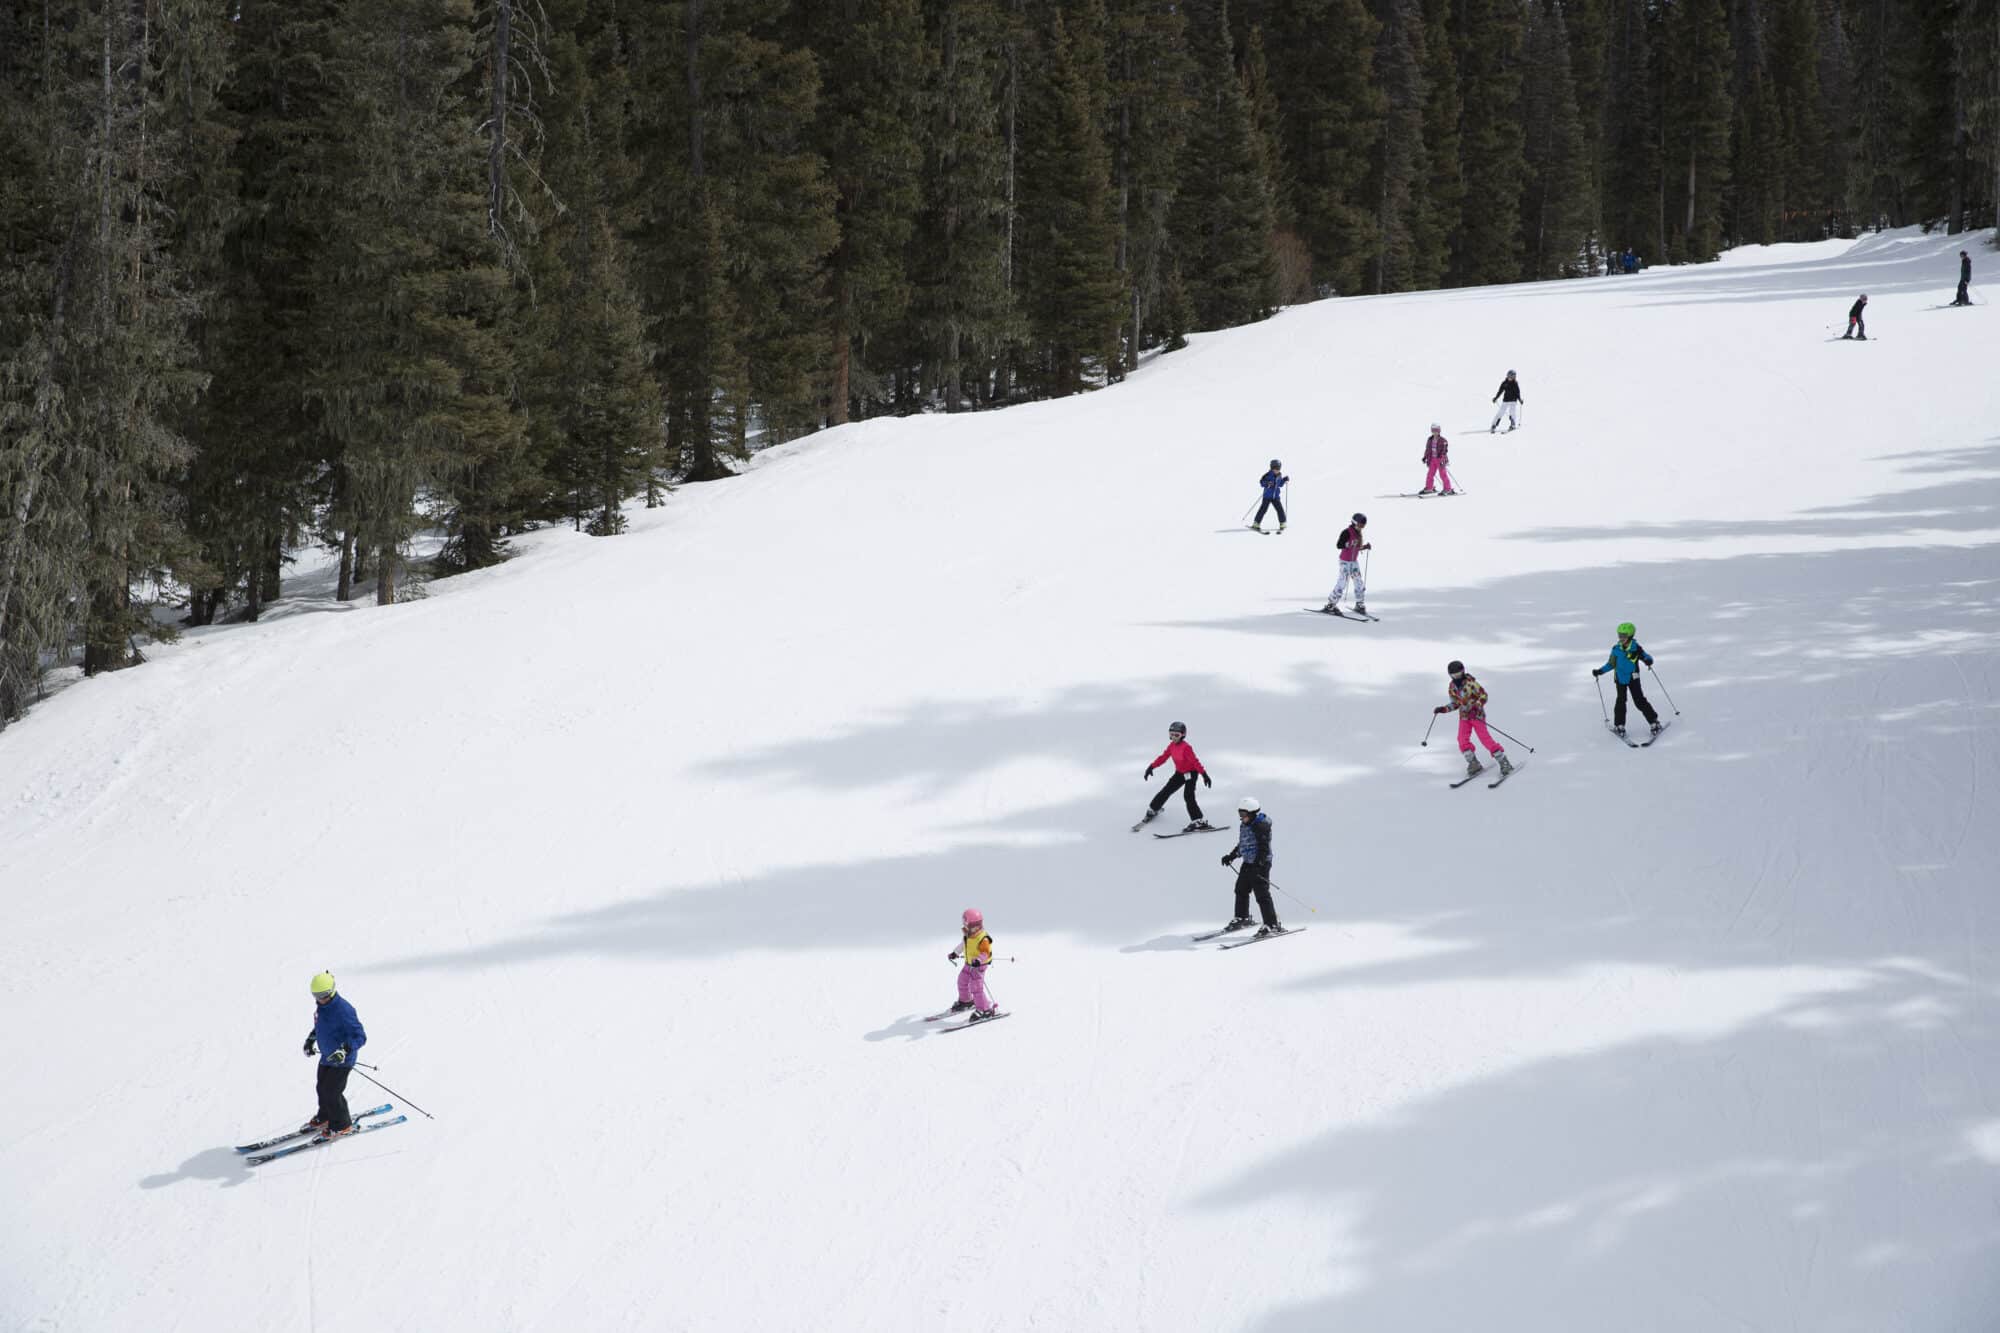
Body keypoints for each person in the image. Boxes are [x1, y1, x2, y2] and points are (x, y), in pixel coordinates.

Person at [302, 971, 367, 1137]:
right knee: (321, 1088)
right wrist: (310, 1040)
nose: (319, 999)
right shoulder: (322, 1007)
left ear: (331, 991)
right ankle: (325, 1116)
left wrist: (344, 1050)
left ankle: (342, 1124)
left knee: (332, 1092)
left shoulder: (344, 1010)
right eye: (315, 995)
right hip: (327, 1056)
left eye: (322, 995)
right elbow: (320, 1027)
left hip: (343, 1060)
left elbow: (360, 1036)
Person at [1434, 660, 1512, 780]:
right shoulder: (1452, 686)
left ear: (1463, 671)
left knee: (1485, 739)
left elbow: (1483, 695)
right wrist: (1444, 709)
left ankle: (1503, 761)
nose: (1457, 677)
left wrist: (1477, 705)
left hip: (1477, 715)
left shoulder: (1471, 683)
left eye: (1459, 674)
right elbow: (1455, 704)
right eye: (1454, 675)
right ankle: (1473, 763)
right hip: (1464, 717)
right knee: (1461, 739)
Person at [1218, 797, 1281, 937]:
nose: (1241, 817)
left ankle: (1272, 925)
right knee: (1241, 889)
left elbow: (1264, 848)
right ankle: (1242, 918)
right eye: (1240, 814)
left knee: (1262, 894)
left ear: (1252, 813)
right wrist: (1231, 856)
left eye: (1243, 814)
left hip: (1261, 864)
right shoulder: (1245, 825)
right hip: (1248, 863)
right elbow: (1244, 845)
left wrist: (1259, 864)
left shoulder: (1260, 826)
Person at [1139, 721, 1214, 831]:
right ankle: (1153, 809)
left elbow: (1194, 762)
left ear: (1183, 735)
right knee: (1166, 790)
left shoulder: (1186, 747)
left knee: (1188, 796)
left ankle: (1198, 821)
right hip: (1179, 773)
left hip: (1191, 773)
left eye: (1176, 735)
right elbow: (1163, 757)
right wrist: (1151, 767)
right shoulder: (1171, 746)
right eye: (1171, 734)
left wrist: (1204, 774)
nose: (1173, 737)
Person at [1591, 621, 1661, 737]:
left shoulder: (1636, 648)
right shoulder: (1616, 649)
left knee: (1639, 701)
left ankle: (1654, 722)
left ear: (1630, 636)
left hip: (1633, 678)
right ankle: (1620, 725)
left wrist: (1648, 660)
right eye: (1619, 635)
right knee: (1620, 701)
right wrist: (1600, 671)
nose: (1621, 638)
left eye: (1624, 636)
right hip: (1620, 678)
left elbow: (1647, 657)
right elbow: (1611, 664)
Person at [946, 909, 998, 1019]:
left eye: (976, 925)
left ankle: (985, 1009)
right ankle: (966, 1001)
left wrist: (979, 960)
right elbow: (963, 945)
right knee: (962, 980)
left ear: (979, 925)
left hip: (979, 966)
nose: (972, 928)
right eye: (969, 925)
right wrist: (955, 953)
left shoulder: (983, 938)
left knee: (976, 987)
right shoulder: (968, 935)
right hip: (969, 963)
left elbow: (986, 952)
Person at [1321, 513, 1370, 615]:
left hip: (1353, 562)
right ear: (1355, 523)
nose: (1362, 528)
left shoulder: (1358, 533)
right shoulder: (1347, 532)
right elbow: (1339, 545)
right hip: (1345, 562)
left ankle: (1359, 604)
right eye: (1361, 525)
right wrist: (1348, 544)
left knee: (1359, 582)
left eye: (1363, 526)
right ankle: (1331, 605)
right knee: (1342, 582)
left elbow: (1357, 547)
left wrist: (1365, 547)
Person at [1252, 459, 1288, 532]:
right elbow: (1261, 482)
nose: (1277, 470)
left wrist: (1284, 480)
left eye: (1278, 469)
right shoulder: (1267, 475)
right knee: (1263, 510)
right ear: (1272, 468)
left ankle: (1282, 523)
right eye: (1275, 469)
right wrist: (1267, 483)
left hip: (1276, 497)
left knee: (1280, 509)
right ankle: (1256, 523)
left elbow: (1280, 484)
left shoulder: (1279, 475)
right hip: (1267, 496)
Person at [1419, 425, 1455, 496]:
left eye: (1436, 431)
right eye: (1433, 431)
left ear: (1439, 431)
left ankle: (1448, 489)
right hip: (1432, 459)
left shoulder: (1443, 440)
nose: (1434, 433)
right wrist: (1425, 457)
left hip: (1440, 460)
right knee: (1430, 474)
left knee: (1442, 474)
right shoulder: (1430, 439)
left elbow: (1444, 451)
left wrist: (1442, 458)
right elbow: (1428, 450)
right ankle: (1429, 488)